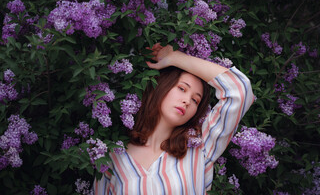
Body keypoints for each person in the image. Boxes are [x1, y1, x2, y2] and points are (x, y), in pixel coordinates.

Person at [94, 43, 254, 194]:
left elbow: (239, 91)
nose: (187, 101)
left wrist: (174, 57)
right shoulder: (113, 158)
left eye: (195, 100)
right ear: (162, 86)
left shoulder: (199, 148)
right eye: (182, 88)